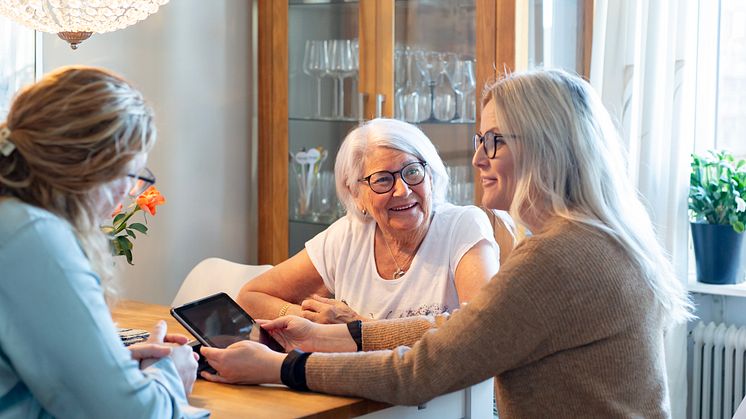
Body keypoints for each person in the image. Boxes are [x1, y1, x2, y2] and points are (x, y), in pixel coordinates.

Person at [200, 69, 693, 417]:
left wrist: (283, 367)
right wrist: (340, 336)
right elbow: (470, 331)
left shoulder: (557, 258)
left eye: (494, 141)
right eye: (480, 141)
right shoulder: (592, 240)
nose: (478, 159)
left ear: (546, 147)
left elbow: (421, 373)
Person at [0, 66, 206, 418]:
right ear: (92, 166)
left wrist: (110, 366)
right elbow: (130, 414)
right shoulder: (35, 238)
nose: (128, 194)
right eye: (131, 175)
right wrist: (172, 373)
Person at [238, 118, 499, 323]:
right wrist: (310, 320)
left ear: (430, 176)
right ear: (356, 194)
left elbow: (479, 330)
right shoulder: (347, 236)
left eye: (413, 172)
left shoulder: (463, 226)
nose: (403, 190)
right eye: (383, 180)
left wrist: (356, 327)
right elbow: (251, 296)